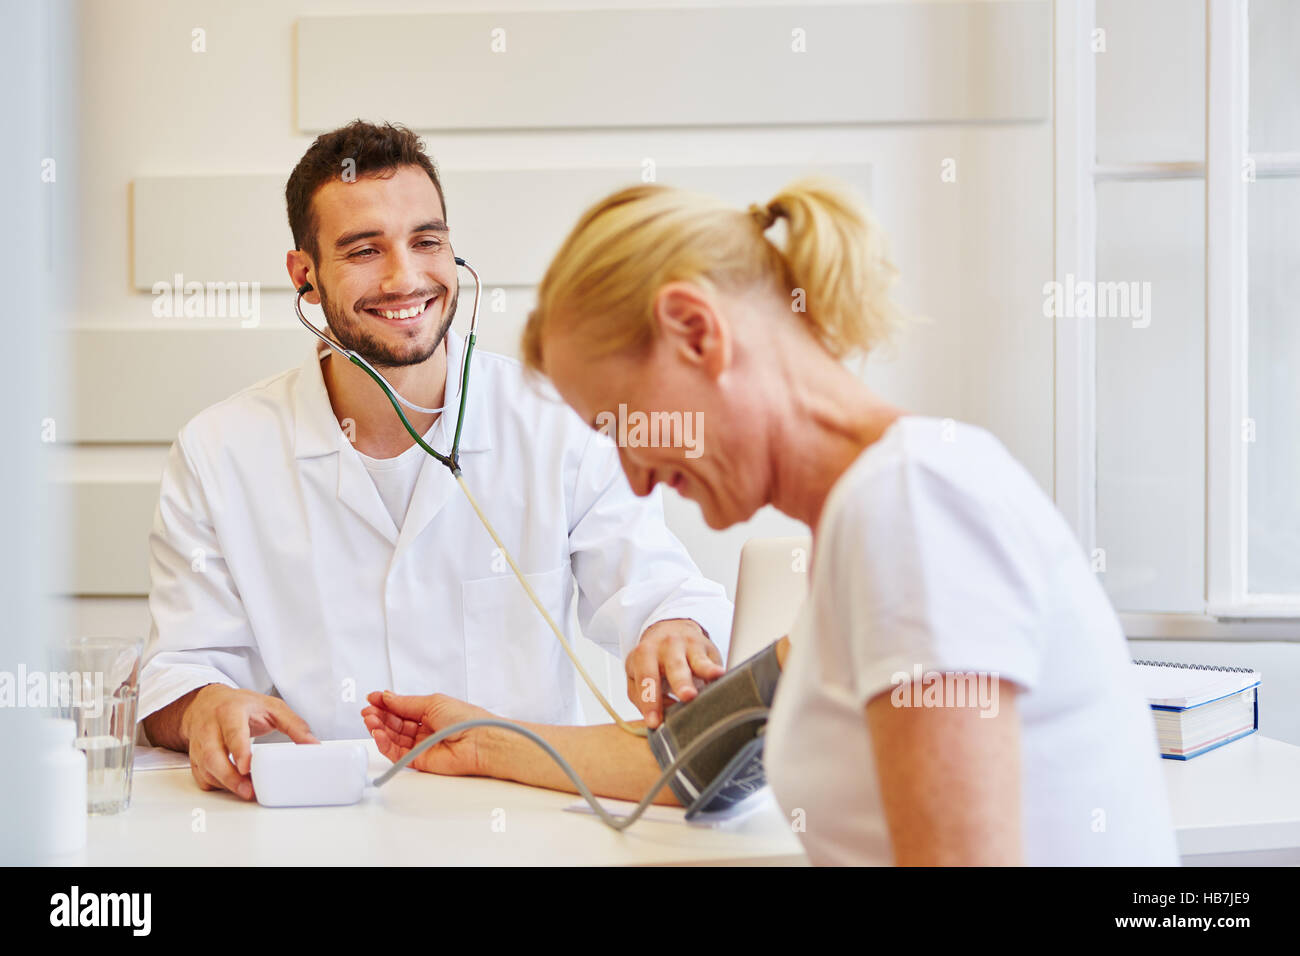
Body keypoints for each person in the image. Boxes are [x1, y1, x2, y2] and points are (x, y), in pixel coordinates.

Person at [364, 176, 1180, 866]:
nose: (637, 479)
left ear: (696, 331)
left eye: (624, 425)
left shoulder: (910, 508)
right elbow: (693, 761)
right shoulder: (866, 520)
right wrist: (481, 740)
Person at [138, 121, 734, 803]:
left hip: (529, 833)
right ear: (305, 276)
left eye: (427, 241)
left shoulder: (561, 420)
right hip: (321, 832)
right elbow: (177, 672)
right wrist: (203, 708)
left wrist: (674, 634)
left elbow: (663, 592)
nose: (405, 276)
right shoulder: (219, 452)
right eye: (364, 250)